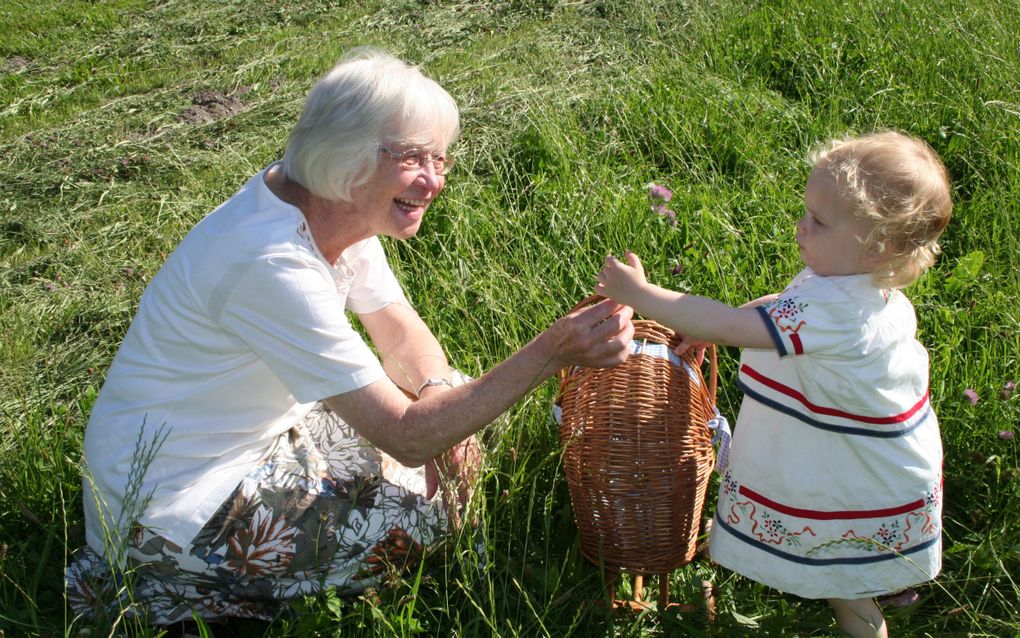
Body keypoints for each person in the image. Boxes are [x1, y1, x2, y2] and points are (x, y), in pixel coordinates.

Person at [66, 48, 635, 625]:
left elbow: (401, 333)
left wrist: (437, 393)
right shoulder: (270, 262)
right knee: (429, 519)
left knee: (461, 411)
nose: (435, 180)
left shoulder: (334, 207)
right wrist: (549, 353)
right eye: (415, 158)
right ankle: (165, 585)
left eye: (442, 159)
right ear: (350, 158)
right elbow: (406, 437)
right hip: (172, 502)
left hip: (261, 432)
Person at [595, 131, 951, 638]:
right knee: (847, 554)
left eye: (819, 222)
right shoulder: (857, 287)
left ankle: (868, 621)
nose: (801, 227)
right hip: (855, 450)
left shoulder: (841, 314)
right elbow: (780, 307)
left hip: (854, 473)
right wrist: (712, 325)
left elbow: (740, 327)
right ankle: (875, 573)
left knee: (845, 574)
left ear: (878, 248)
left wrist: (643, 294)